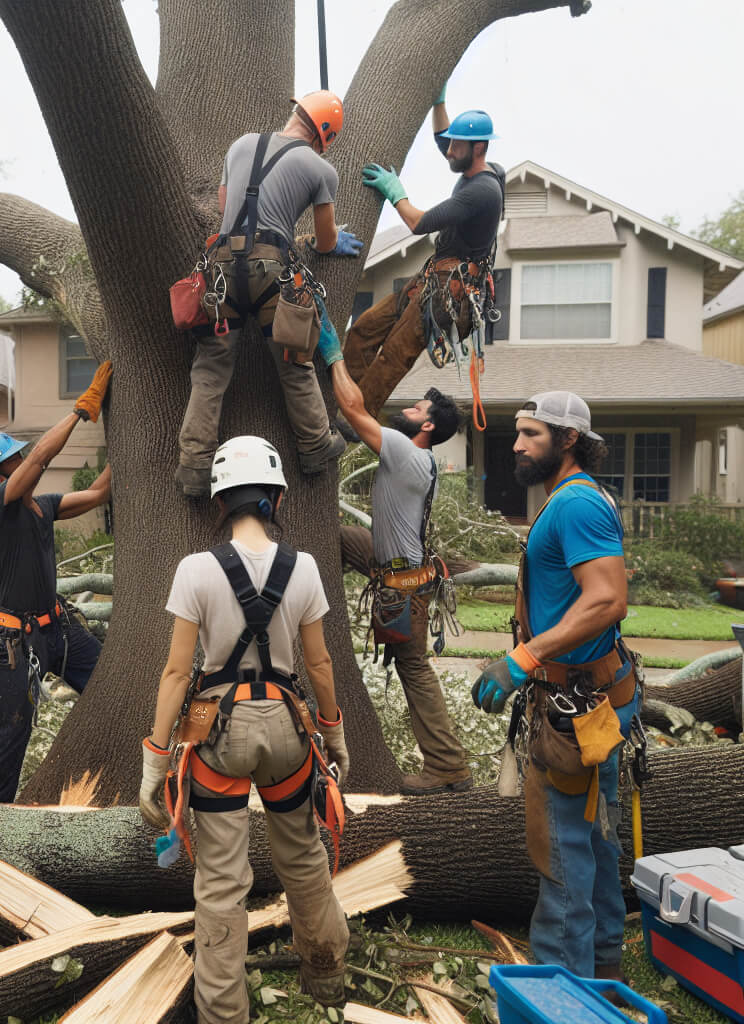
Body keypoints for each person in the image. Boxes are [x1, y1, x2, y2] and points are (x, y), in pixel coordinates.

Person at [140, 435, 351, 1022]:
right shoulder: (304, 568)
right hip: (288, 730)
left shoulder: (195, 571)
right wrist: (333, 736)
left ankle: (223, 1014)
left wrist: (155, 762)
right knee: (304, 859)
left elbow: (178, 671)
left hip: (219, 738)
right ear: (277, 499)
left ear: (220, 502)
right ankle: (328, 980)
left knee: (220, 884)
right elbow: (320, 665)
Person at [471, 391, 640, 982]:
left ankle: (560, 986)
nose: (516, 444)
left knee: (563, 846)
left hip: (578, 703)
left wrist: (524, 657)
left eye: (532, 434)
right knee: (594, 839)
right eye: (517, 433)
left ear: (568, 440)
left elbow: (607, 599)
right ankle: (602, 969)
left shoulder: (575, 506)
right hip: (594, 694)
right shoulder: (574, 499)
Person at [175, 91, 363, 497]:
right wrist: (327, 240)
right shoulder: (320, 168)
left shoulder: (241, 144)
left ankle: (193, 467)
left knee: (209, 371)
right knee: (295, 362)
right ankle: (315, 447)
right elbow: (327, 241)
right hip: (271, 272)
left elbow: (226, 207)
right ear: (324, 135)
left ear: (297, 112)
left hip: (221, 269)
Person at [316, 318, 471, 795]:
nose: (407, 408)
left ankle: (449, 766)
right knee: (337, 536)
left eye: (416, 407)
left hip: (403, 580)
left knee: (414, 667)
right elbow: (354, 419)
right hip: (393, 562)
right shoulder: (415, 455)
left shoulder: (405, 450)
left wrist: (333, 355)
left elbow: (353, 406)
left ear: (426, 426)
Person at [0, 360, 113, 803]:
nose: (24, 460)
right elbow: (42, 457)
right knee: (12, 730)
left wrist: (127, 447)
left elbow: (100, 493)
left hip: (58, 629)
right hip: (13, 643)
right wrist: (81, 409)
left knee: (111, 685)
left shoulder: (43, 505)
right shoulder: (0, 506)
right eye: (15, 459)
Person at [344, 84, 504, 415]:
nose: (448, 151)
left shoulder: (482, 191)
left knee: (393, 354)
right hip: (433, 277)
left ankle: (355, 418)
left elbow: (418, 223)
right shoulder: (472, 164)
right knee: (362, 331)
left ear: (478, 149)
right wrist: (439, 101)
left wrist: (394, 192)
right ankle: (347, 401)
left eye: (456, 146)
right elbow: (443, 136)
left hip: (452, 289)